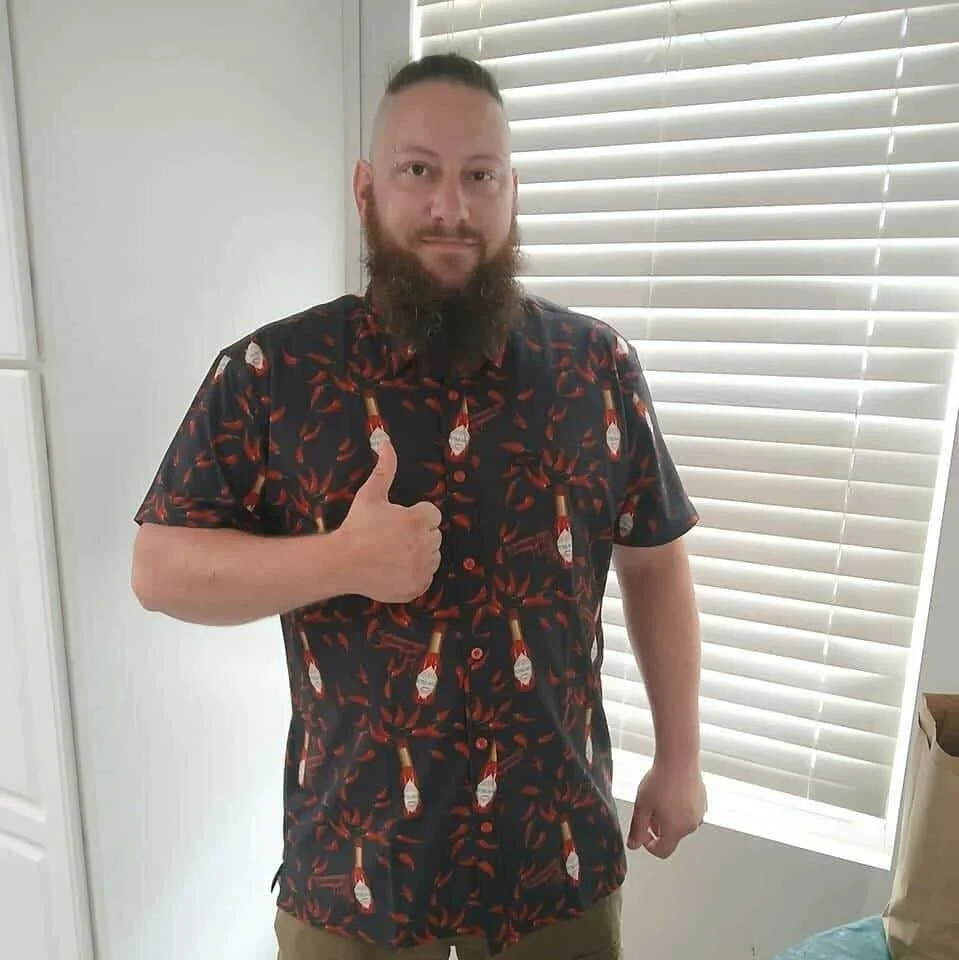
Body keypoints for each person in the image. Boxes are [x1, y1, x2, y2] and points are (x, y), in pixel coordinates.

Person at [131, 53, 706, 960]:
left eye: (479, 175)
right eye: (418, 171)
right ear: (367, 188)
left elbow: (655, 559)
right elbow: (158, 568)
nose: (451, 206)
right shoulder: (273, 374)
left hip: (552, 860)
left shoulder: (598, 370)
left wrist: (679, 759)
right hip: (351, 874)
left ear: (511, 190)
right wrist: (343, 560)